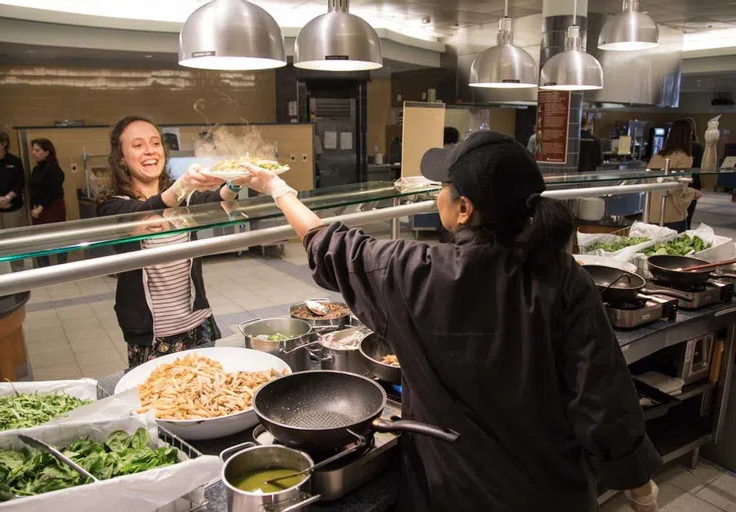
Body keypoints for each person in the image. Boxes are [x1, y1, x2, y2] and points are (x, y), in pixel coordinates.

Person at [243, 131, 661, 512]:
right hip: (552, 491)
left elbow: (323, 242)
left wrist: (276, 188)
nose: (435, 195)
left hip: (451, 492)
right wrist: (639, 488)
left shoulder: (413, 271)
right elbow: (603, 395)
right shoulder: (565, 275)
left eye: (441, 187)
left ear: (464, 208)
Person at [97, 116, 247, 368]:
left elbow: (218, 202)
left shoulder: (184, 199)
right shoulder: (111, 204)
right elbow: (142, 212)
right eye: (138, 145)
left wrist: (235, 180)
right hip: (151, 335)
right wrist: (182, 186)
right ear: (121, 158)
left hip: (198, 323)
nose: (149, 151)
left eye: (155, 143)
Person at [646, 119, 702, 233]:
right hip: (671, 214)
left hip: (651, 212)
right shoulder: (685, 158)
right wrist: (693, 193)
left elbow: (648, 181)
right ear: (689, 135)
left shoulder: (657, 155)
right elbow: (677, 188)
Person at [29, 138, 67, 267]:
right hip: (38, 209)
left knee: (57, 237)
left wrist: (40, 207)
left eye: (37, 150)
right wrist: (33, 208)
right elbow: (32, 190)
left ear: (47, 152)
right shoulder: (36, 169)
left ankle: (61, 266)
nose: (34, 153)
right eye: (33, 150)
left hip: (52, 207)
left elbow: (53, 191)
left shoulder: (53, 168)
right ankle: (44, 267)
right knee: (40, 239)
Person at [686, 117, 705, 227]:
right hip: (693, 183)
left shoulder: (694, 147)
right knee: (687, 217)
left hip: (685, 184)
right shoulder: (698, 147)